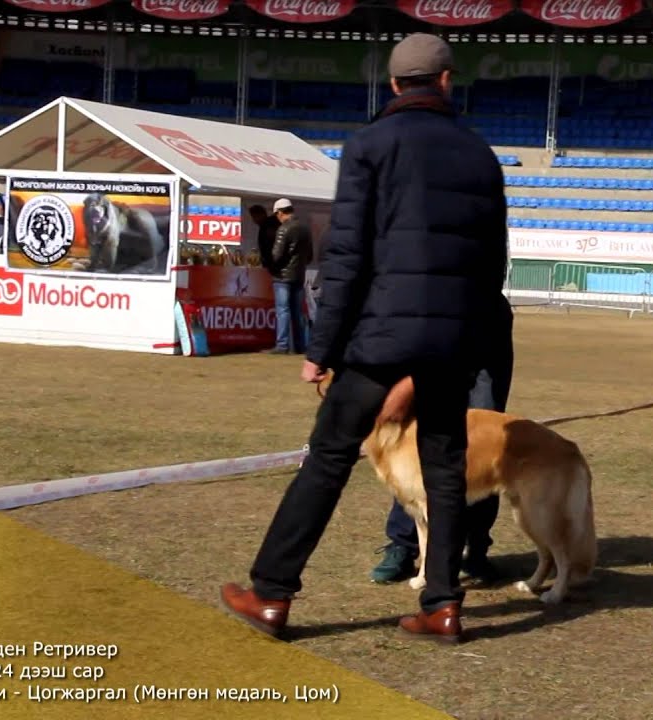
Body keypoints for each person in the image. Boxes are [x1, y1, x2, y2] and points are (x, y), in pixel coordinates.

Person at [219, 33, 509, 644]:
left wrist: (319, 350)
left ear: (395, 85)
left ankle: (272, 592)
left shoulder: (369, 145)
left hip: (381, 336)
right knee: (446, 469)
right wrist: (474, 338)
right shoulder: (480, 155)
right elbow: (492, 262)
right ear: (448, 81)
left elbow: (346, 256)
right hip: (452, 340)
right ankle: (442, 603)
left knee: (327, 459)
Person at [372, 294, 514, 585]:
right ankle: (403, 545)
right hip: (435, 325)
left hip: (484, 327)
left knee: (484, 451)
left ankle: (475, 550)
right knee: (412, 447)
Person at [267, 199, 313, 355]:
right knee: (297, 311)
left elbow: (277, 255)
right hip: (299, 275)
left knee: (283, 310)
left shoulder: (284, 229)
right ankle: (300, 346)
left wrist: (271, 266)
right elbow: (309, 256)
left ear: (280, 212)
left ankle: (282, 344)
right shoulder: (305, 229)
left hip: (282, 276)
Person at [248, 204, 280, 273]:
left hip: (273, 265)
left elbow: (270, 246)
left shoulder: (269, 226)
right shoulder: (267, 225)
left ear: (261, 214)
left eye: (254, 216)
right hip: (271, 265)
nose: (254, 220)